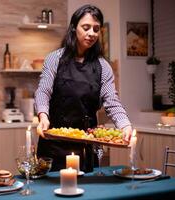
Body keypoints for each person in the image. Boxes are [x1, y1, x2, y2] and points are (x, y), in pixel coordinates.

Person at [34, 4, 132, 172]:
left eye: (96, 29)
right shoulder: (55, 58)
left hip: (87, 144)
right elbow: (43, 91)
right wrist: (43, 116)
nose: (91, 33)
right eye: (86, 28)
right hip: (54, 144)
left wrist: (125, 125)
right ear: (74, 28)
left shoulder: (103, 66)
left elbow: (112, 101)